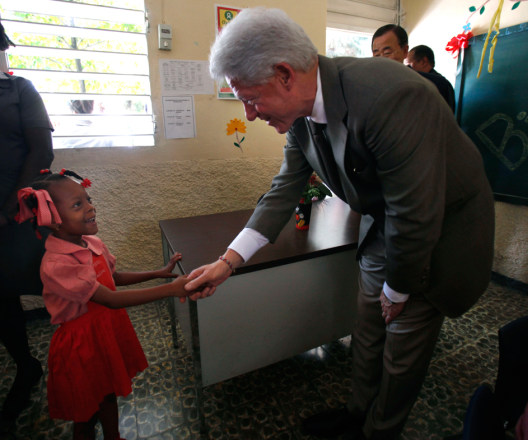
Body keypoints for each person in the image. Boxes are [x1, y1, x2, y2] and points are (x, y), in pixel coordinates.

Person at [185, 7, 495, 440]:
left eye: (251, 98)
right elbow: (284, 189)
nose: (249, 114)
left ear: (284, 74)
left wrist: (398, 287)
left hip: (437, 237)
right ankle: (356, 415)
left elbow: (416, 211)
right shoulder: (301, 115)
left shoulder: (391, 95)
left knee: (400, 350)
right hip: (387, 228)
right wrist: (228, 262)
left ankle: (379, 431)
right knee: (367, 330)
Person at [15, 169, 192, 440]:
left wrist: (158, 272)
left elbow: (113, 279)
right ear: (53, 220)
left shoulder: (91, 242)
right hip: (82, 344)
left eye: (87, 199)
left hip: (105, 333)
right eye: (78, 205)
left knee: (107, 395)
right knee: (86, 413)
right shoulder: (57, 263)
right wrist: (170, 289)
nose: (90, 207)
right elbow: (108, 299)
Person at [0, 18, 54, 428]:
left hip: (15, 212)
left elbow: (41, 151)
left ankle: (80, 358)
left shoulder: (19, 90)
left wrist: (8, 208)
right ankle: (25, 365)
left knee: (36, 278)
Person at [372, 24, 456, 112]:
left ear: (404, 51)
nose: (381, 59)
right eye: (376, 55)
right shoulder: (372, 87)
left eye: (387, 52)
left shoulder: (436, 85)